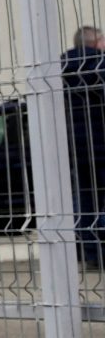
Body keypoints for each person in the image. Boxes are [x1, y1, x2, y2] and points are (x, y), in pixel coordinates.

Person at [66, 25, 104, 268]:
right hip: (101, 144)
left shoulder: (61, 68)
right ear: (94, 43)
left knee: (86, 203)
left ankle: (91, 255)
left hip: (75, 149)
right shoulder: (101, 66)